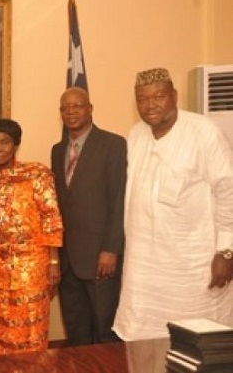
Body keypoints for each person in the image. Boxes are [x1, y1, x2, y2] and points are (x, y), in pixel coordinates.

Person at [113, 68, 233, 341]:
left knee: (196, 342)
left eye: (159, 96)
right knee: (142, 339)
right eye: (142, 99)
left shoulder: (204, 132)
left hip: (192, 268)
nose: (150, 105)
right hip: (144, 268)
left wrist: (226, 251)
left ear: (174, 96)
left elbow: (229, 190)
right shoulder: (136, 134)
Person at [0, 118, 63, 354]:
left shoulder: (37, 174)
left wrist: (54, 261)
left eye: (5, 142)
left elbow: (51, 218)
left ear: (16, 145)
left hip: (32, 270)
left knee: (32, 331)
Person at [51, 87, 127, 346]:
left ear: (90, 108)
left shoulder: (113, 145)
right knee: (76, 331)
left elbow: (119, 200)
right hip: (68, 259)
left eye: (78, 106)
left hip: (100, 257)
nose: (71, 112)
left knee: (104, 329)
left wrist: (111, 249)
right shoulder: (57, 150)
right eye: (65, 108)